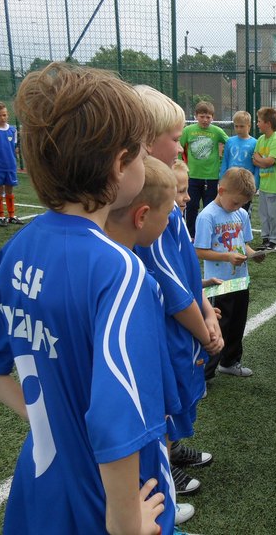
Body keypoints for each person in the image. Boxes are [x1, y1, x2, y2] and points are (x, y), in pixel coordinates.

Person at [0, 62, 177, 534]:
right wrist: (126, 522)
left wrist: (40, 414)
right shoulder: (121, 269)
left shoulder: (21, 245)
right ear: (119, 165)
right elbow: (118, 415)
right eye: (141, 151)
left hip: (41, 486)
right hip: (100, 500)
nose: (148, 158)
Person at [133, 84, 223, 499]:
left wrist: (204, 307)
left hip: (184, 323)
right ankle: (163, 469)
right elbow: (171, 289)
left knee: (179, 391)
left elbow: (185, 269)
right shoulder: (149, 211)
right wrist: (205, 330)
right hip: (166, 329)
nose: (179, 147)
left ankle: (170, 452)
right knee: (164, 398)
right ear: (144, 141)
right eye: (174, 138)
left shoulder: (168, 202)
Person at [104, 155, 196, 526]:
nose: (174, 216)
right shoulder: (130, 279)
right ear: (143, 216)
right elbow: (115, 408)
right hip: (131, 442)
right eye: (170, 211)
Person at [195, 167, 263, 379]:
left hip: (241, 280)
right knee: (218, 327)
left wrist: (254, 254)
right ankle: (205, 374)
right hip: (219, 283)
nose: (238, 207)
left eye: (242, 204)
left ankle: (230, 362)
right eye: (235, 203)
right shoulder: (207, 216)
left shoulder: (241, 214)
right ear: (221, 190)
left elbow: (244, 244)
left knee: (237, 324)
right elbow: (199, 251)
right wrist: (227, 257)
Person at [180, 100, 228, 239]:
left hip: (211, 178)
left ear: (213, 117)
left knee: (209, 208)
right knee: (191, 207)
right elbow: (179, 147)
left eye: (208, 117)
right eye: (202, 116)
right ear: (196, 116)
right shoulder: (188, 131)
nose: (205, 120)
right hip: (193, 177)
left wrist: (222, 161)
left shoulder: (217, 131)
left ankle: (208, 235)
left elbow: (230, 143)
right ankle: (191, 235)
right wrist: (180, 165)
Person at [252, 106, 276, 251]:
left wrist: (260, 160)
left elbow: (268, 162)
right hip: (265, 185)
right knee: (264, 215)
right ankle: (266, 238)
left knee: (274, 216)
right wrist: (261, 161)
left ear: (268, 123)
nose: (257, 124)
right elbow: (255, 159)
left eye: (259, 121)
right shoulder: (261, 139)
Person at [0, 101, 24, 227]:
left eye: (4, 115)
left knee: (10, 190)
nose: (2, 118)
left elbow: (14, 147)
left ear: (8, 115)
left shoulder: (12, 130)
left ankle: (11, 215)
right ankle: (1, 216)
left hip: (10, 165)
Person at [220, 110, 259, 214]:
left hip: (246, 183)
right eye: (236, 126)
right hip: (231, 181)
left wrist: (256, 183)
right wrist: (221, 179)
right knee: (228, 208)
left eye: (242, 126)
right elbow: (225, 161)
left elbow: (257, 166)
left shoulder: (255, 143)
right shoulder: (230, 141)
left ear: (249, 126)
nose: (238, 129)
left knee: (244, 211)